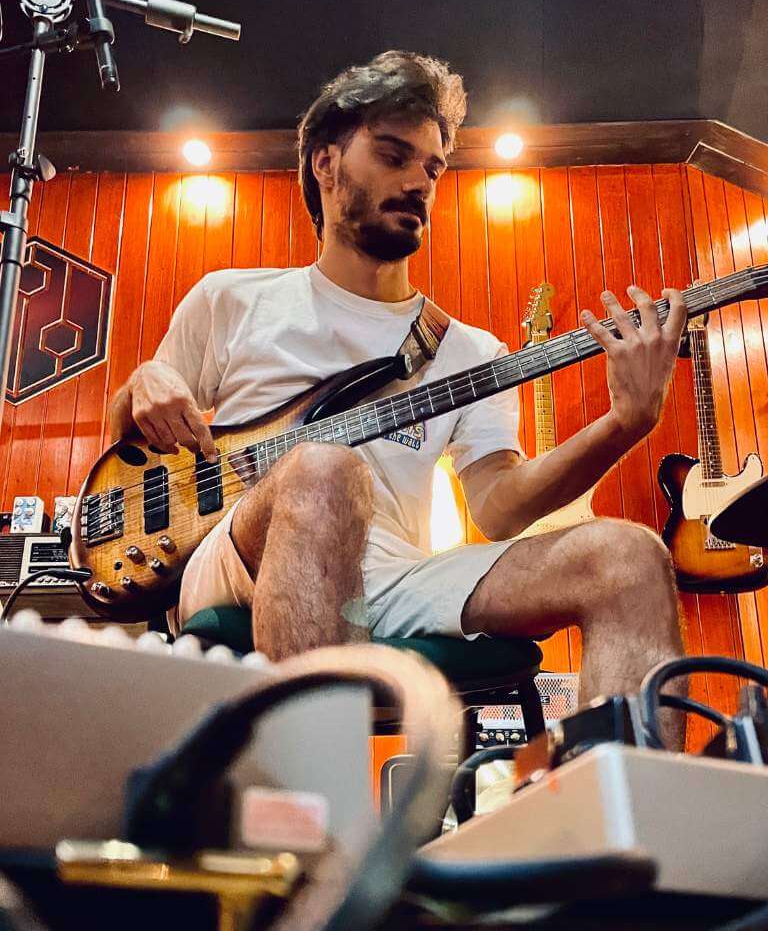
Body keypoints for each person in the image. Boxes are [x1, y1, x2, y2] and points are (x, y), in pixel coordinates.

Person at [108, 51, 688, 745]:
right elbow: (128, 442)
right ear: (324, 162)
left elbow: (498, 508)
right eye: (393, 155)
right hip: (240, 557)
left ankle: (622, 842)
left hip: (395, 579)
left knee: (630, 554)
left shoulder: (467, 351)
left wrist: (626, 423)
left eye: (433, 168)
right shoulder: (232, 299)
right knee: (325, 468)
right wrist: (144, 381)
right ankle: (320, 822)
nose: (418, 181)